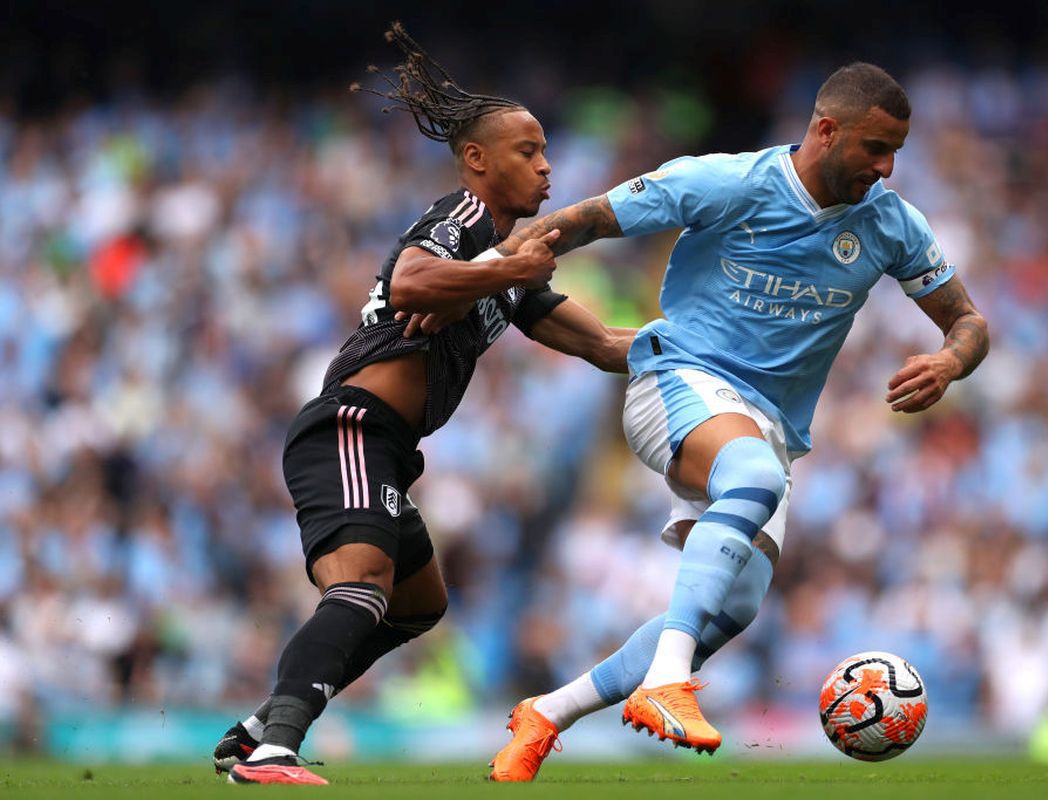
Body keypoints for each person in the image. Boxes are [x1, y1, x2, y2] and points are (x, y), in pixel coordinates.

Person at [486, 62, 990, 781]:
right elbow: (588, 218)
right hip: (677, 379)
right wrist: (481, 272)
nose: (886, 168)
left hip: (768, 425)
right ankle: (666, 683)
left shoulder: (891, 224)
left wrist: (950, 361)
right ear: (826, 130)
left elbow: (968, 321)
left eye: (896, 153)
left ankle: (547, 713)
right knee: (752, 477)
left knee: (734, 605)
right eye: (876, 148)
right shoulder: (728, 182)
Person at [212, 23, 635, 786]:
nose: (546, 166)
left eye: (545, 151)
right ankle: (275, 750)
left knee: (417, 604)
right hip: (351, 425)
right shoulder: (465, 219)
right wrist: (505, 269)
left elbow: (607, 345)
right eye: (528, 151)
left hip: (388, 447)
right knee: (362, 584)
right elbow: (409, 282)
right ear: (477, 161)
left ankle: (262, 724)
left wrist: (717, 354)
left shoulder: (507, 267)